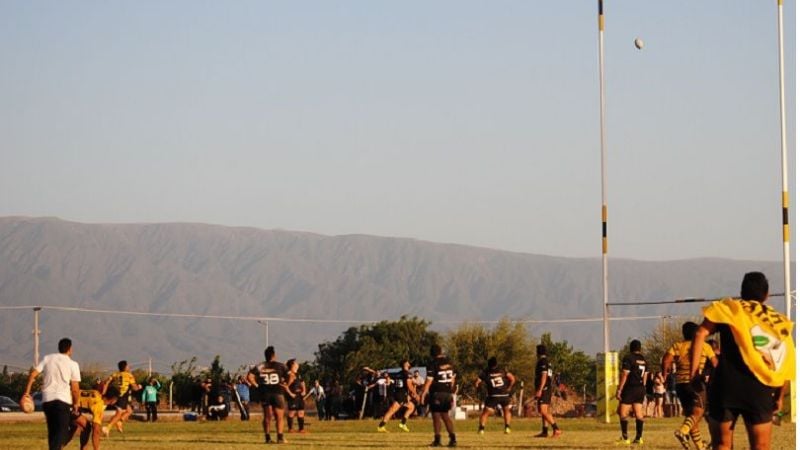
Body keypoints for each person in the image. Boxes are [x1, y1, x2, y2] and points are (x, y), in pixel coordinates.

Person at [690, 272, 795, 450]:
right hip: (759, 388)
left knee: (721, 444)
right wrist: (779, 396)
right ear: (767, 295)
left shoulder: (729, 309)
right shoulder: (777, 322)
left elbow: (700, 333)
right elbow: (784, 361)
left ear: (742, 292)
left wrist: (694, 373)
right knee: (761, 446)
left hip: (725, 385)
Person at [662, 321, 718, 450]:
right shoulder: (704, 346)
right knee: (699, 412)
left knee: (691, 416)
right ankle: (683, 431)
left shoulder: (677, 346)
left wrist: (664, 375)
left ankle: (700, 446)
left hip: (680, 384)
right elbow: (715, 363)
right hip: (695, 382)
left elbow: (666, 360)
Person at [23, 337, 81, 450]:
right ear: (70, 349)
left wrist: (27, 393)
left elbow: (32, 375)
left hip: (47, 400)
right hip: (63, 401)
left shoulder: (48, 359)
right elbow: (75, 388)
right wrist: (76, 403)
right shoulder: (73, 364)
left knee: (53, 431)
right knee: (62, 432)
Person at [248, 346, 290, 444]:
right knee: (279, 416)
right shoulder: (280, 365)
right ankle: (280, 437)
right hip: (277, 392)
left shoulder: (260, 366)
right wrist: (287, 384)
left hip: (265, 392)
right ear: (274, 355)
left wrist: (256, 385)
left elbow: (249, 376)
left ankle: (267, 438)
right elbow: (291, 375)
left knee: (267, 416)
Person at [419, 344, 457, 448]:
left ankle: (437, 440)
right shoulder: (450, 362)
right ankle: (453, 439)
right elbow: (453, 379)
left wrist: (423, 393)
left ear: (431, 353)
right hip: (447, 392)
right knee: (445, 416)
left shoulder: (432, 363)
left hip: (437, 392)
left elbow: (429, 380)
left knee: (436, 416)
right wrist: (451, 391)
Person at [615, 339, 647, 445]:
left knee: (623, 413)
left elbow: (625, 374)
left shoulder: (628, 358)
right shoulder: (643, 359)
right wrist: (643, 387)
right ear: (640, 348)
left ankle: (625, 438)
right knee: (638, 413)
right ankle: (639, 438)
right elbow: (645, 375)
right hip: (640, 388)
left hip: (630, 388)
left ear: (631, 348)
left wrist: (619, 389)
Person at [475, 356, 515, 435]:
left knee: (485, 413)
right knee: (506, 410)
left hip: (493, 395)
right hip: (504, 394)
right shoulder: (502, 370)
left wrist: (478, 390)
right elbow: (512, 378)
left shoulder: (486, 372)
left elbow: (477, 382)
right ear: (496, 364)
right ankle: (507, 427)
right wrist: (509, 388)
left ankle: (481, 429)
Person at [377, 360, 418, 432]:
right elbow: (409, 385)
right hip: (402, 395)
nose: (409, 363)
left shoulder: (398, 373)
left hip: (398, 393)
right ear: (405, 364)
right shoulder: (407, 373)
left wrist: (386, 377)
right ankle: (381, 426)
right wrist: (415, 393)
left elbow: (387, 375)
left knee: (411, 406)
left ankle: (403, 423)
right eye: (408, 363)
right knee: (392, 410)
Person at [103, 360, 141, 436]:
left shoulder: (115, 374)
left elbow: (106, 381)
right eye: (128, 366)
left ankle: (119, 421)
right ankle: (107, 427)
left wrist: (104, 391)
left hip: (117, 395)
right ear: (125, 367)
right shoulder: (129, 375)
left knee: (129, 410)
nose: (129, 367)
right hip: (122, 395)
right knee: (119, 413)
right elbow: (134, 387)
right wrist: (139, 387)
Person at [533, 344, 561, 438]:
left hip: (544, 388)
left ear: (538, 352)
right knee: (544, 410)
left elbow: (544, 376)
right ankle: (544, 431)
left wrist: (540, 389)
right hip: (547, 388)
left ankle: (556, 429)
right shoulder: (548, 362)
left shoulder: (542, 362)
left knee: (543, 410)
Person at [285, 359, 307, 433]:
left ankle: (301, 429)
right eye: (295, 363)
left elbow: (303, 383)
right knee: (292, 412)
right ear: (292, 365)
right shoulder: (289, 375)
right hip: (293, 396)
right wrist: (290, 393)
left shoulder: (298, 374)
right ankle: (290, 429)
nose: (297, 364)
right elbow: (285, 386)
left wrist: (304, 391)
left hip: (299, 395)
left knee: (301, 411)